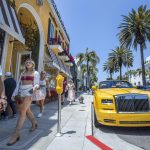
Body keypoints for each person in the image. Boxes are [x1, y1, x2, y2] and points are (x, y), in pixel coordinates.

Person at [7, 59, 40, 146]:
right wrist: (15, 93)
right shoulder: (22, 73)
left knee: (22, 112)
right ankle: (34, 123)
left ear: (33, 64)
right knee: (27, 110)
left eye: (30, 62)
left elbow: (37, 84)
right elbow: (18, 84)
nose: (28, 63)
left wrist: (34, 88)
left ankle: (16, 134)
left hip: (29, 92)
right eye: (26, 62)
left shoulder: (36, 73)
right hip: (21, 92)